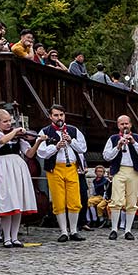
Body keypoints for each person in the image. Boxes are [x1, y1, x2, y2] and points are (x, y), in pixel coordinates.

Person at [0, 109, 39, 248]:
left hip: (18, 167)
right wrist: (15, 132)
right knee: (7, 201)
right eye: (5, 121)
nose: (9, 124)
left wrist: (38, 142)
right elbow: (1, 141)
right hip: (3, 167)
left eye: (10, 121)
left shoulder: (18, 137)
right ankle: (6, 237)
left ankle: (14, 237)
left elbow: (29, 154)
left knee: (17, 202)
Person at [36, 104, 88, 242]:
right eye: (56, 115)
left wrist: (71, 141)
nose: (59, 118)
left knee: (74, 200)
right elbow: (41, 153)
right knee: (59, 200)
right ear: (50, 117)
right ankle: (63, 231)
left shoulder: (73, 130)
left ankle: (74, 231)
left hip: (71, 168)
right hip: (55, 169)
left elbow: (83, 148)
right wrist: (56, 147)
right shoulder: (45, 131)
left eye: (61, 115)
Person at [101, 115, 138, 240]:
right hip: (119, 171)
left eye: (126, 124)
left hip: (134, 171)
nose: (125, 126)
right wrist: (118, 147)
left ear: (130, 125)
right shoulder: (113, 138)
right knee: (116, 200)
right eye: (122, 124)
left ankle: (128, 230)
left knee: (132, 201)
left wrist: (133, 143)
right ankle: (114, 229)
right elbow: (106, 156)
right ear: (118, 126)